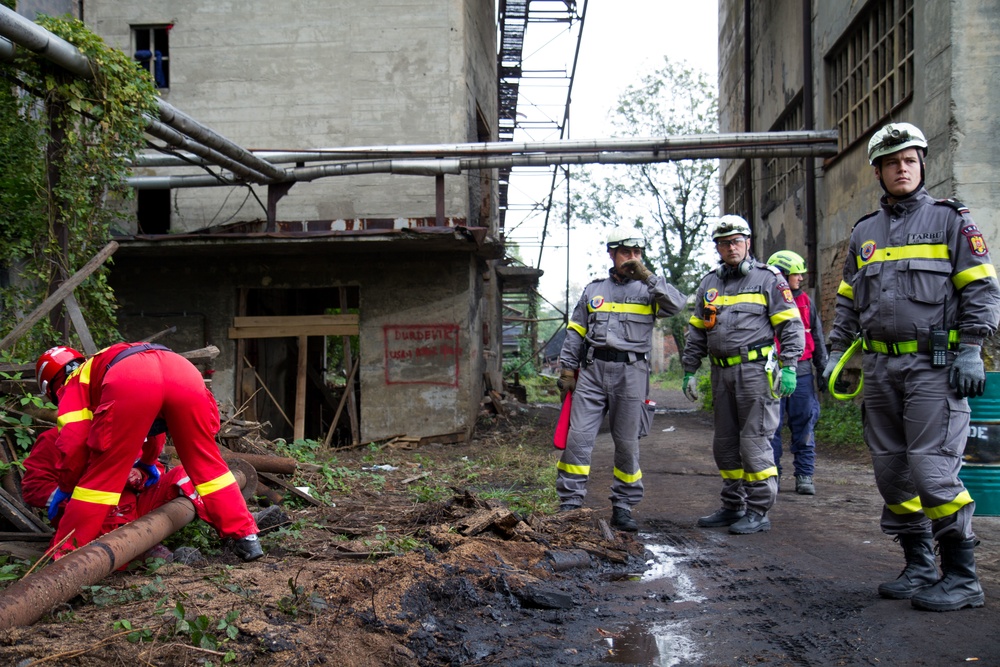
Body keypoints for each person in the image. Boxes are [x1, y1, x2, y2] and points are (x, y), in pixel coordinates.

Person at [824, 122, 1000, 612]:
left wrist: (971, 348)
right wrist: (838, 352)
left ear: (922, 165)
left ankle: (962, 577)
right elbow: (847, 304)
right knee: (892, 472)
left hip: (934, 367)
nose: (902, 169)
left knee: (932, 471)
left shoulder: (950, 221)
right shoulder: (864, 233)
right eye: (892, 162)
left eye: (910, 160)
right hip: (881, 370)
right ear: (877, 170)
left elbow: (981, 289)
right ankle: (920, 564)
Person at [35, 342, 263, 561]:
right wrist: (148, 461)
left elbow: (73, 442)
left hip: (132, 379)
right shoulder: (104, 361)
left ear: (52, 388)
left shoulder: (74, 382)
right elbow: (152, 428)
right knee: (208, 464)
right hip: (181, 369)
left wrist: (67, 487)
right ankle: (246, 536)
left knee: (102, 478)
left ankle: (66, 556)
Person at [555, 226, 687, 531]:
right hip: (592, 371)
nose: (632, 258)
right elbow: (576, 331)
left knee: (627, 443)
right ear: (612, 254)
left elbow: (678, 305)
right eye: (626, 252)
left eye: (637, 253)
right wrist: (566, 369)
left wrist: (648, 276)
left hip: (631, 373)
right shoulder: (594, 290)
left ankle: (624, 506)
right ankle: (570, 503)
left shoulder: (650, 290)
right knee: (579, 439)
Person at [681, 215, 805, 534]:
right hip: (721, 375)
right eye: (724, 243)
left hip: (755, 373)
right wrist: (689, 370)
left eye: (736, 241)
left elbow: (790, 325)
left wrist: (789, 366)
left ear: (748, 243)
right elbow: (696, 332)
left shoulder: (768, 279)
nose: (731, 247)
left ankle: (759, 509)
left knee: (754, 443)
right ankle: (733, 505)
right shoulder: (709, 283)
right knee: (724, 444)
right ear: (718, 248)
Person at [22, 428, 205, 561]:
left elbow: (154, 468)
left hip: (135, 513)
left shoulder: (121, 430)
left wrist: (139, 475)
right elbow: (34, 489)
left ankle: (222, 528)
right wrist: (81, 496)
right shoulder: (54, 439)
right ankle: (143, 550)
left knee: (189, 474)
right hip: (88, 523)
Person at [766, 250, 828, 495]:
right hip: (772, 373)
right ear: (782, 274)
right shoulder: (767, 299)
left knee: (804, 423)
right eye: (796, 274)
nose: (801, 278)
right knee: (771, 426)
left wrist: (823, 368)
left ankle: (804, 475)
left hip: (801, 372)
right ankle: (774, 474)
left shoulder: (805, 301)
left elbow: (817, 335)